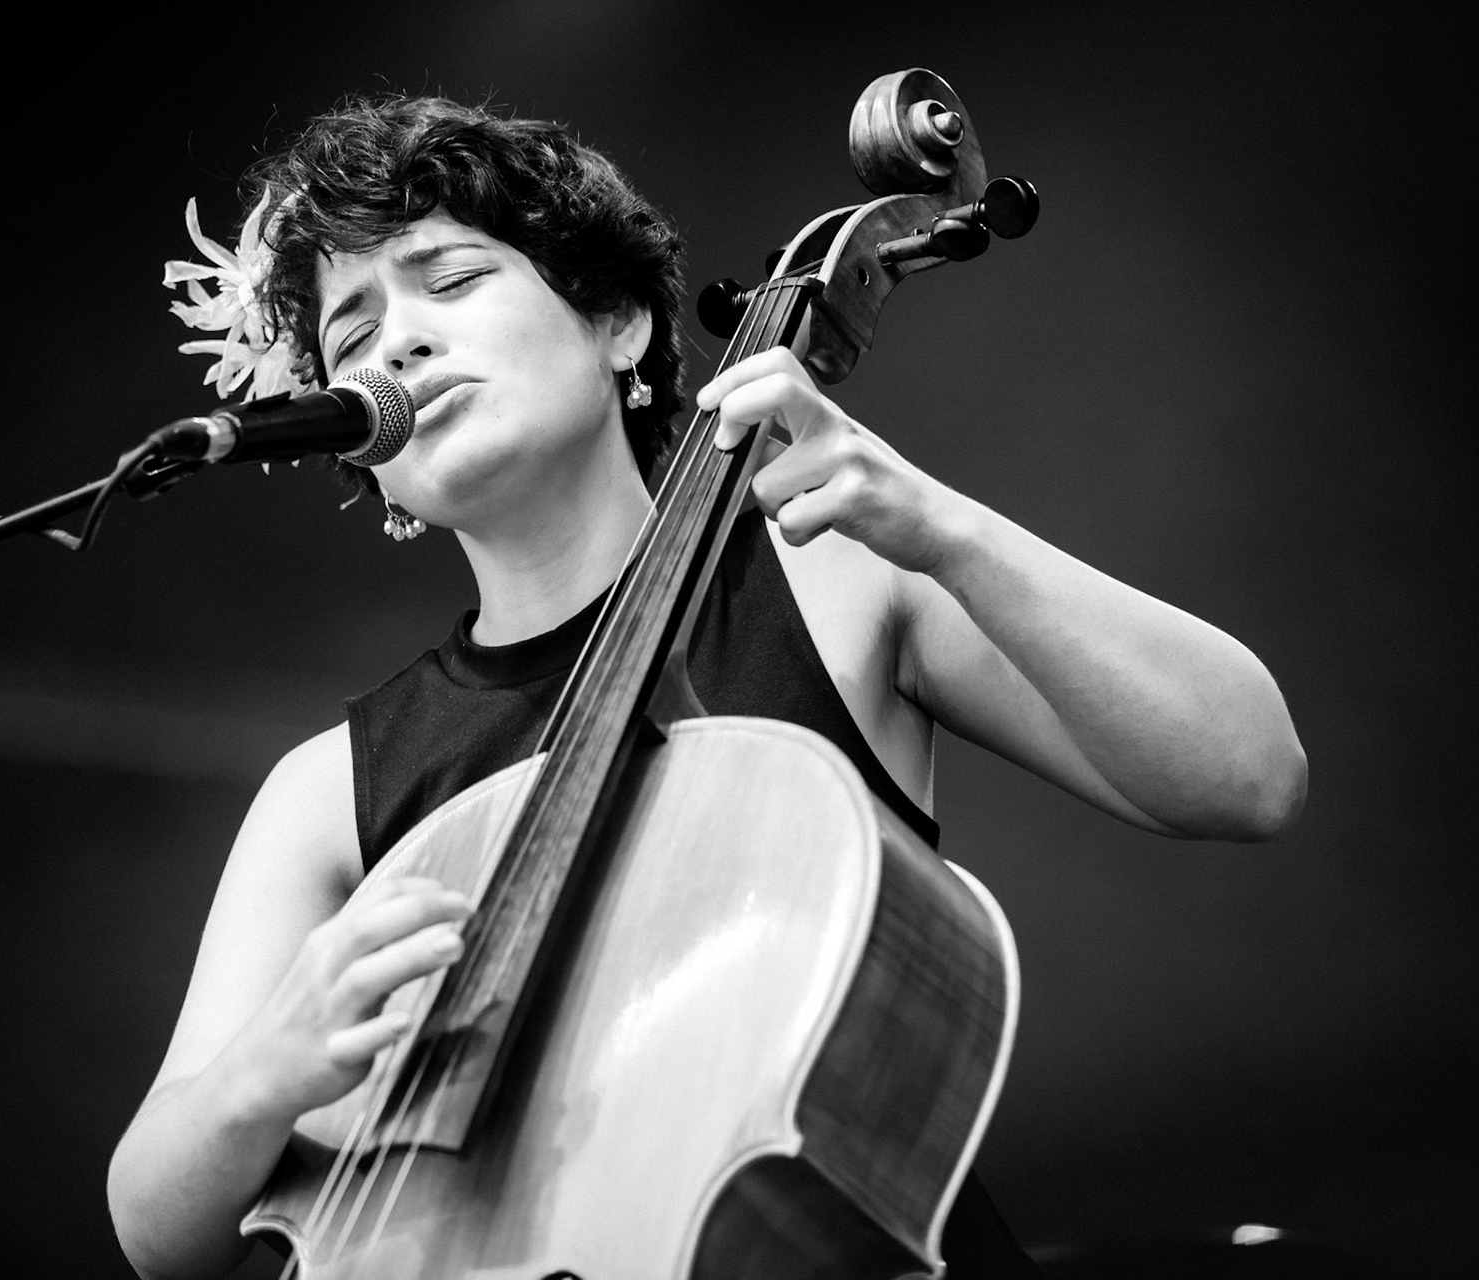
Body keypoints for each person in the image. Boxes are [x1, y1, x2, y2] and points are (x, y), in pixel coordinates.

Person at [106, 96, 1307, 1280]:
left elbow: (1247, 773)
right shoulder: (327, 790)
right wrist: (268, 1066)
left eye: (452, 279)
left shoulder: (838, 583)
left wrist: (938, 526)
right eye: (353, 331)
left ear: (619, 324)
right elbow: (159, 1232)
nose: (398, 343)